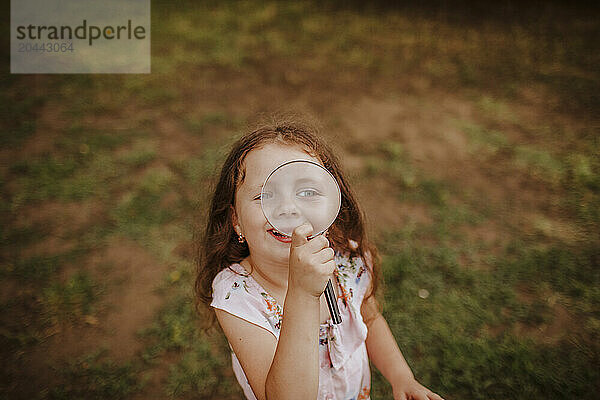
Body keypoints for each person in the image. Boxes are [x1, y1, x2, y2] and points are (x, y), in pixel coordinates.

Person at [195, 118, 445, 400]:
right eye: (265, 194)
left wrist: (401, 376)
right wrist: (302, 293)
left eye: (307, 192)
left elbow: (369, 319)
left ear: (331, 206)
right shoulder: (238, 296)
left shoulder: (347, 261)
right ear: (236, 221)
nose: (288, 208)